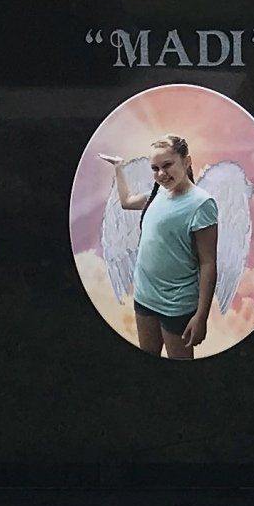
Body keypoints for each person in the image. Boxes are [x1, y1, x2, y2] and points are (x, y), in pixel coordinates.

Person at [100, 134, 219, 359]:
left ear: (186, 161)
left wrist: (201, 316)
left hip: (176, 304)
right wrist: (119, 167)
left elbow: (208, 263)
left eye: (167, 165)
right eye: (155, 168)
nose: (161, 174)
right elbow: (126, 202)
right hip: (144, 297)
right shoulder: (157, 194)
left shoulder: (202, 204)